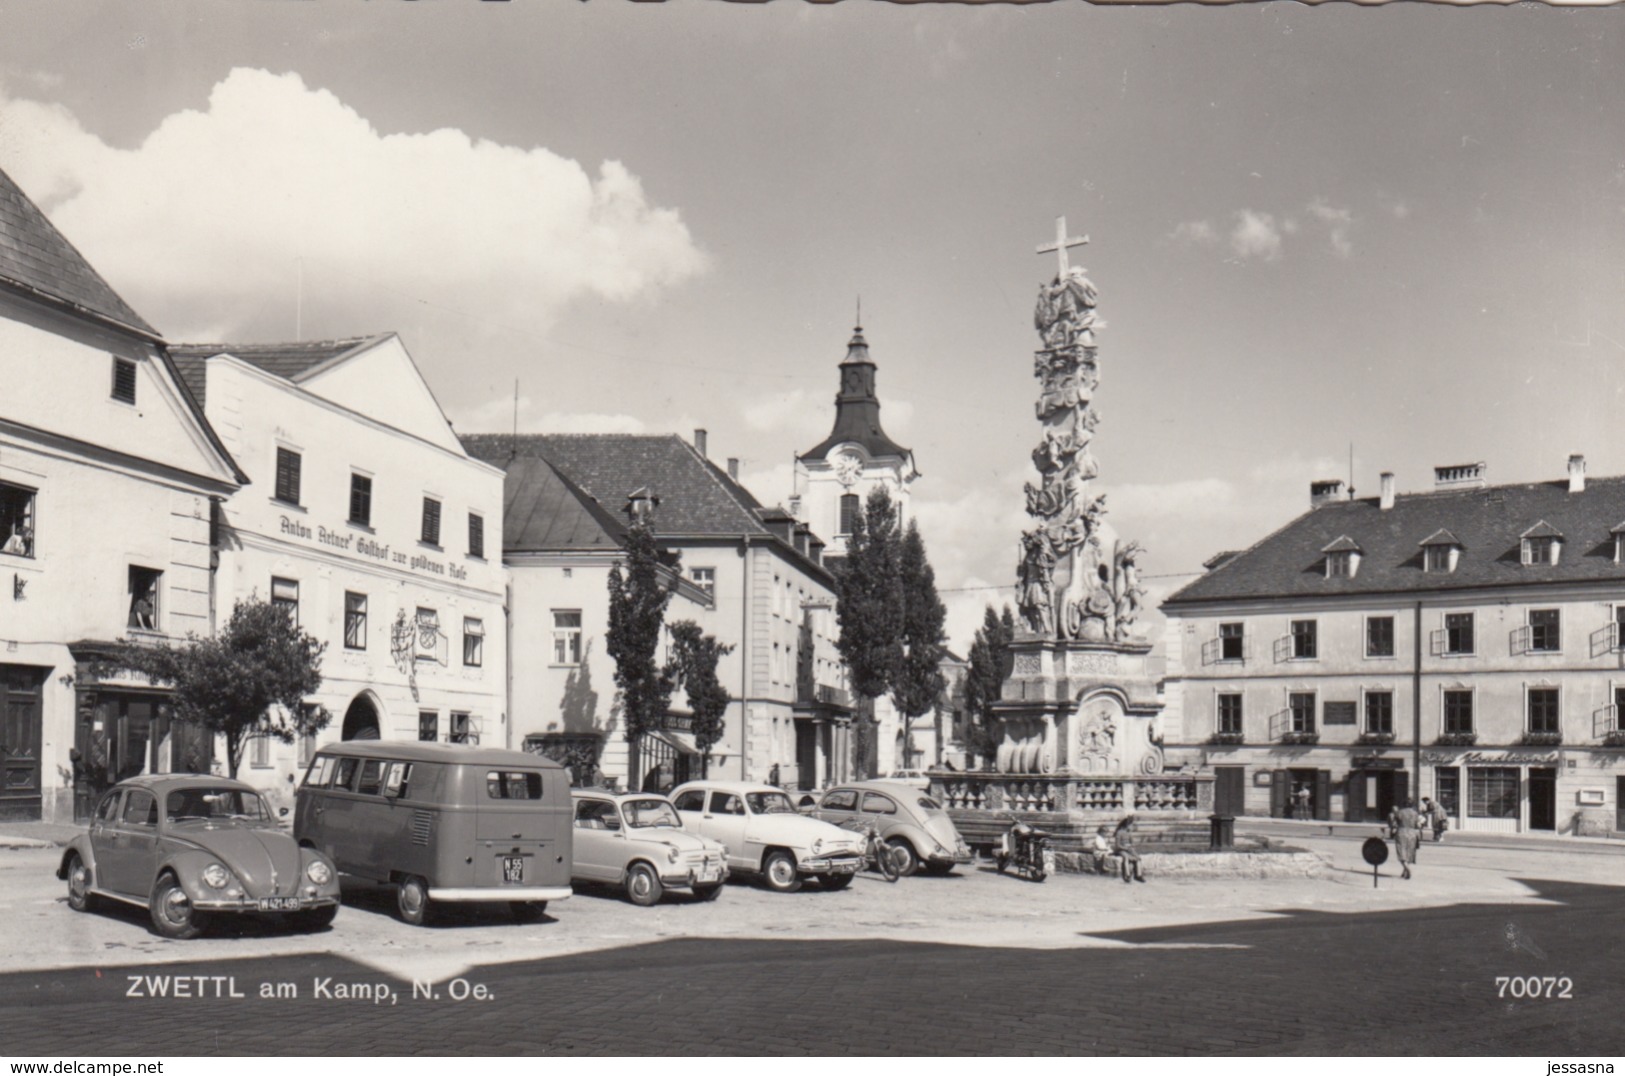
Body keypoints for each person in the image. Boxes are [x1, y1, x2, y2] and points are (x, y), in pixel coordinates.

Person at [1390, 799, 1422, 879]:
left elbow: (1393, 824)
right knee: (1409, 852)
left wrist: (1392, 832)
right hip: (1412, 833)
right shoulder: (1415, 813)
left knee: (1401, 851)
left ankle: (1406, 868)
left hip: (1401, 832)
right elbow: (1418, 825)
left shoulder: (1399, 812)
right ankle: (1404, 871)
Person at [1113, 815, 1145, 883]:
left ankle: (1138, 875)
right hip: (1121, 850)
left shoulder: (1129, 833)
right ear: (1127, 825)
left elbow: (1132, 842)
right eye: (1131, 825)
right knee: (1126, 857)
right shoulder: (1119, 832)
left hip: (1128, 849)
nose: (1132, 827)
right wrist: (1125, 848)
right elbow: (1117, 845)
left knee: (1138, 858)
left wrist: (1131, 847)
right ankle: (1127, 875)